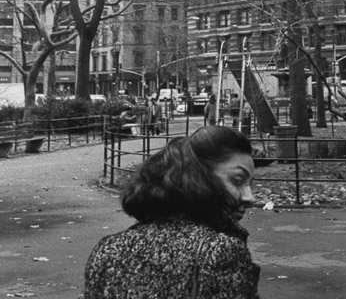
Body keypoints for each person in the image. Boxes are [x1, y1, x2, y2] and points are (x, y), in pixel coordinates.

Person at [82, 127, 260, 299]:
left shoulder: (108, 249)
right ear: (197, 178)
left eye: (249, 184)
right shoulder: (221, 250)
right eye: (237, 180)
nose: (250, 197)